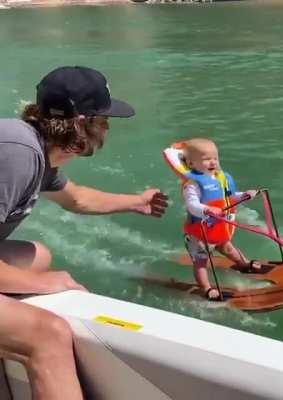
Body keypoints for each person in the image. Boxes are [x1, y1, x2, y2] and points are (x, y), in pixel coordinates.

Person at [0, 66, 168, 400]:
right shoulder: (18, 153)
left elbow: (77, 198)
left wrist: (138, 203)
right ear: (80, 123)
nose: (107, 127)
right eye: (102, 119)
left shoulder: (37, 151)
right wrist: (46, 284)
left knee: (37, 255)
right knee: (48, 335)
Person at [170, 138, 262, 301]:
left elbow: (231, 197)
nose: (212, 162)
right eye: (206, 159)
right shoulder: (192, 184)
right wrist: (206, 209)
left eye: (215, 158)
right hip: (200, 234)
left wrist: (245, 195)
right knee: (201, 262)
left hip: (218, 228)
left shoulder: (222, 179)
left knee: (228, 249)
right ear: (191, 164)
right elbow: (192, 206)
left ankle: (244, 265)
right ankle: (207, 288)